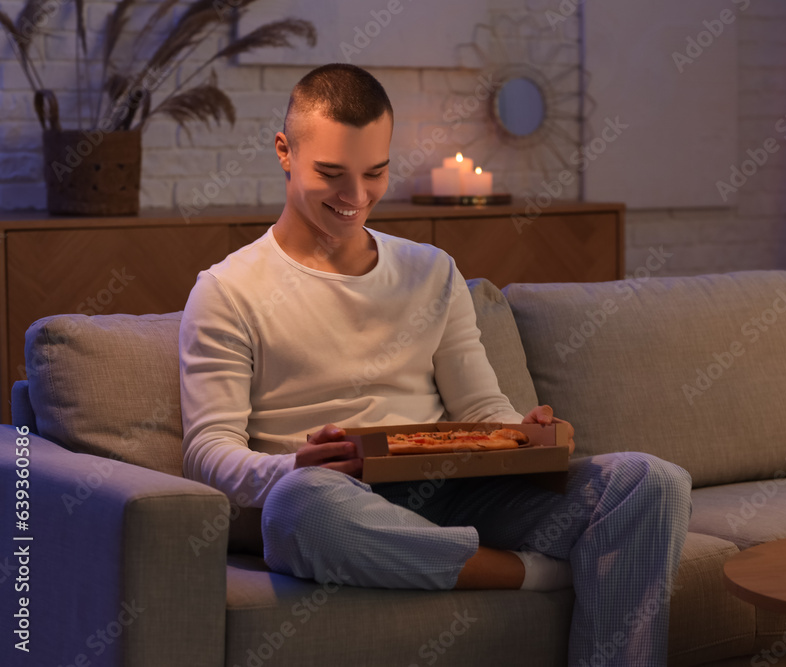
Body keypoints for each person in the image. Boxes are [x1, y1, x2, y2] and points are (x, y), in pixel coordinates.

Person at [179, 63, 691, 665]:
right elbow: (207, 452)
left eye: (375, 173)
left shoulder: (430, 270)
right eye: (331, 175)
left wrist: (526, 436)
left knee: (651, 482)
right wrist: (292, 465)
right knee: (301, 506)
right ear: (285, 152)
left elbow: (480, 409)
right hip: (332, 502)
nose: (356, 198)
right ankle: (527, 572)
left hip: (454, 492)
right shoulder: (227, 290)